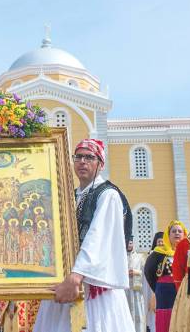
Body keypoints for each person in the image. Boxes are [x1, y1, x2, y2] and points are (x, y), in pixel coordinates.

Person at [33, 138, 134, 332]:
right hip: (67, 278)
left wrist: (76, 276)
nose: (82, 161)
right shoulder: (72, 196)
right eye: (78, 156)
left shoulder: (108, 195)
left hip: (92, 284)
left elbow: (98, 238)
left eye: (89, 157)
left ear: (100, 164)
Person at [144, 221, 186, 332]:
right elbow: (148, 271)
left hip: (185, 291)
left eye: (179, 231)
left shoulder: (189, 251)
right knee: (166, 320)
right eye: (173, 231)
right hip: (165, 293)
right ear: (168, 235)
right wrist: (158, 288)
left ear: (184, 234)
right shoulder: (158, 253)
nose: (177, 233)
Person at [143, 232, 164, 332]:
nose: (160, 243)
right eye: (159, 241)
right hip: (152, 287)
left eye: (162, 241)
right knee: (152, 310)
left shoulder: (167, 254)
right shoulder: (151, 255)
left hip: (164, 288)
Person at [126, 239, 146, 332]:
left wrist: (135, 272)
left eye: (130, 243)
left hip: (136, 290)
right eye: (127, 243)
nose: (129, 245)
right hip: (124, 290)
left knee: (138, 313)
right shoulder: (120, 257)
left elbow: (145, 273)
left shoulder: (140, 257)